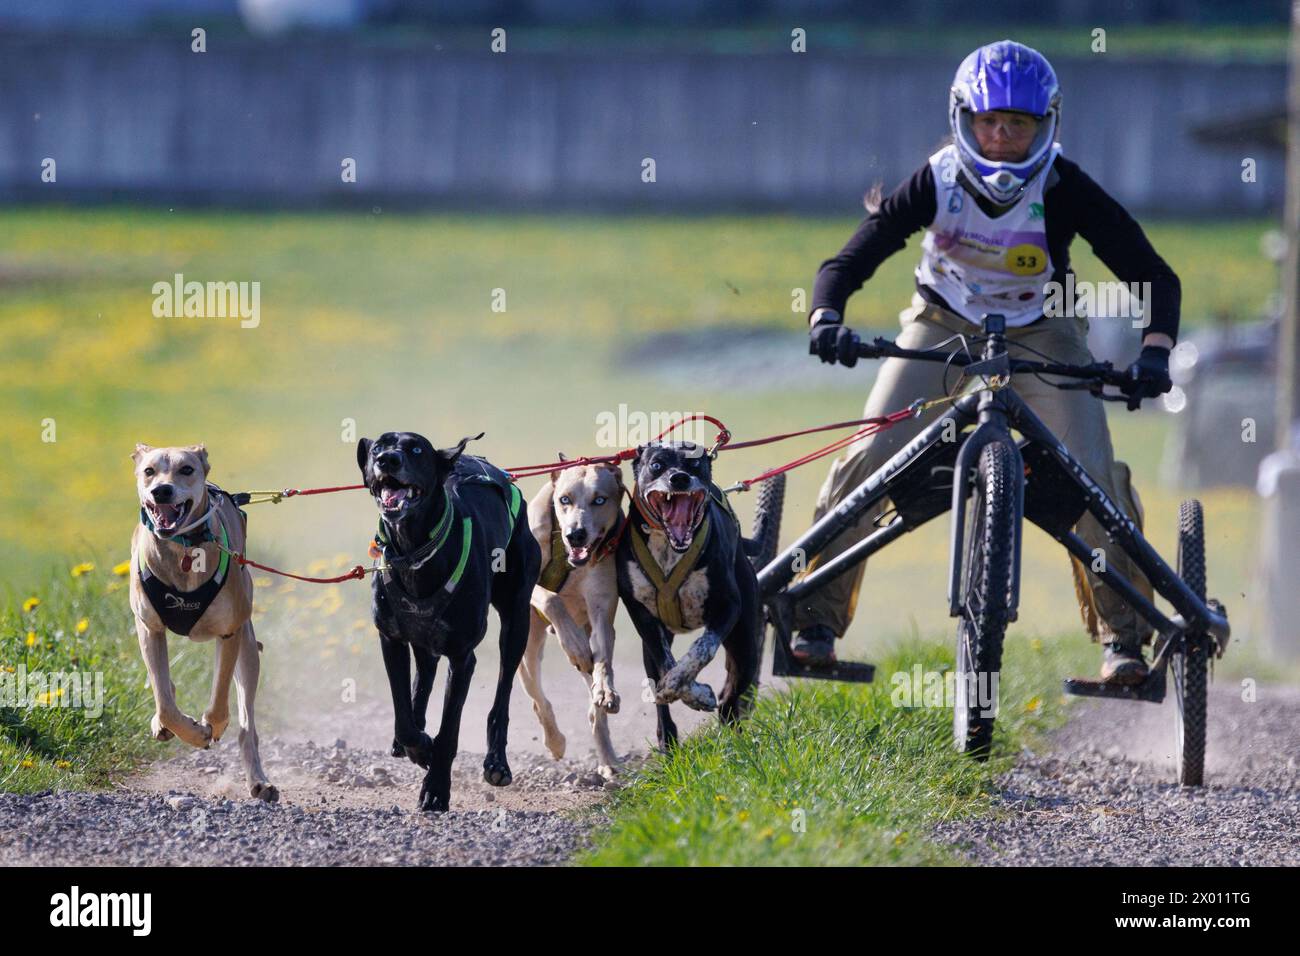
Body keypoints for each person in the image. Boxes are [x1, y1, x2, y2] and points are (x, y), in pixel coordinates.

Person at [798, 39, 1176, 685]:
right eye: (989, 123)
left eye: (1018, 125)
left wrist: (1154, 353)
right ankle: (815, 624)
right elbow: (851, 259)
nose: (1001, 138)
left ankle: (1124, 643)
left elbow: (1152, 275)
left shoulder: (1064, 185)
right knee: (868, 458)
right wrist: (826, 316)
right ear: (965, 121)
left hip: (1043, 333)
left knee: (1095, 481)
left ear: (1044, 125)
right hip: (940, 327)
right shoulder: (938, 178)